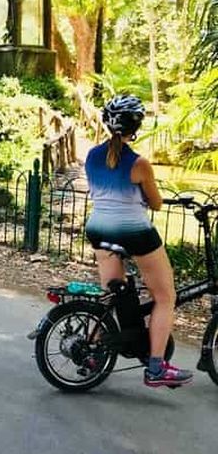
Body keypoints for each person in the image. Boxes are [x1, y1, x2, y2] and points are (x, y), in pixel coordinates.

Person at [85, 94, 193, 388]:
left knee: (114, 295)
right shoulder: (140, 164)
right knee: (165, 296)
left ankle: (94, 351)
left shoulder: (92, 156)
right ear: (136, 126)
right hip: (133, 232)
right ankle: (156, 367)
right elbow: (156, 203)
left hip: (98, 229)